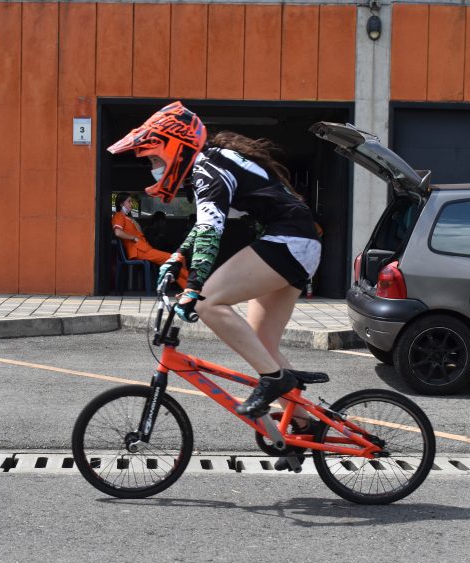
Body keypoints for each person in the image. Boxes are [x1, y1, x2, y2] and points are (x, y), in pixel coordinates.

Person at [108, 101, 322, 422]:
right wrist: (178, 257)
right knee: (262, 345)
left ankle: (275, 380)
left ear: (176, 148)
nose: (153, 168)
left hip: (289, 242)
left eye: (154, 159)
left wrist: (194, 288)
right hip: (299, 243)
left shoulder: (207, 171)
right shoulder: (213, 162)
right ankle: (305, 424)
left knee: (209, 304)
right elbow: (203, 225)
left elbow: (210, 231)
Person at [111, 192, 188, 289]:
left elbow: (140, 232)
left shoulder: (128, 219)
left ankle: (188, 287)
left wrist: (131, 219)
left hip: (145, 249)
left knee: (177, 260)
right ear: (121, 204)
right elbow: (118, 232)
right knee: (175, 259)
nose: (131, 204)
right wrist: (133, 237)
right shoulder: (118, 216)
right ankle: (192, 285)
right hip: (139, 251)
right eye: (129, 201)